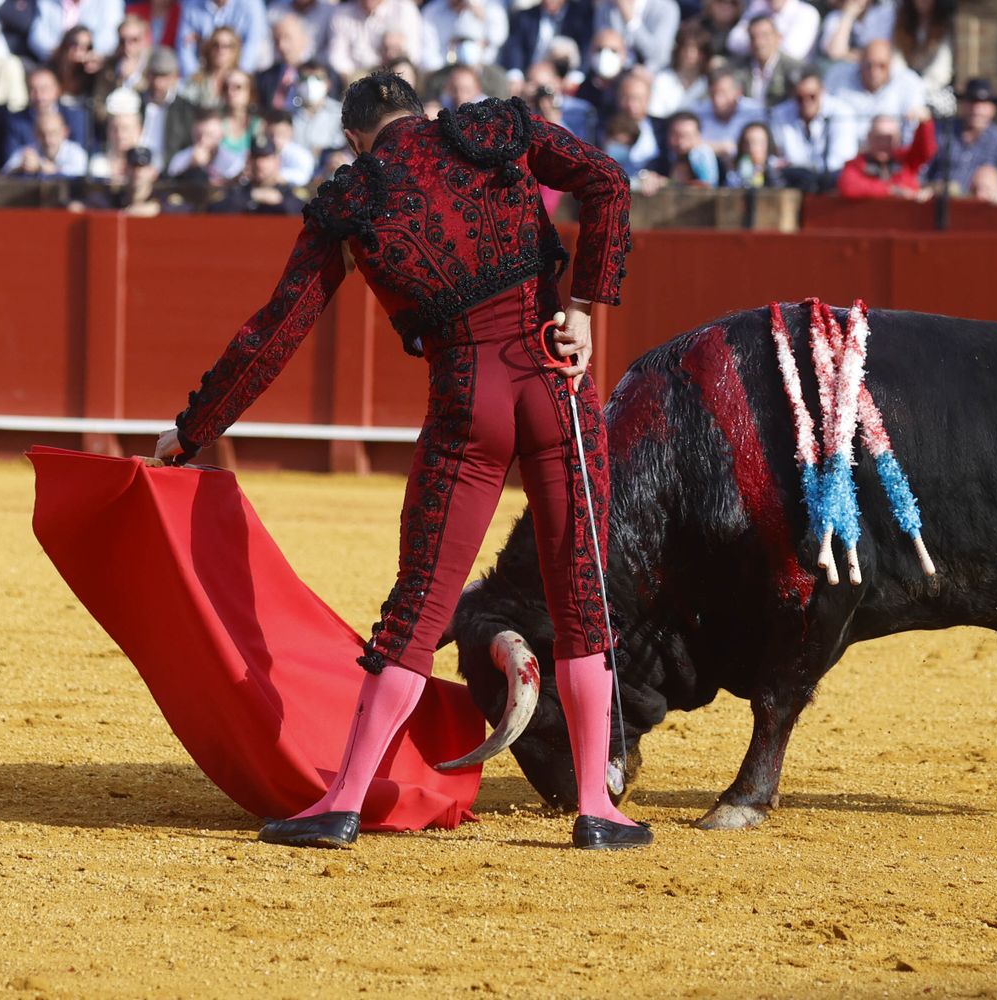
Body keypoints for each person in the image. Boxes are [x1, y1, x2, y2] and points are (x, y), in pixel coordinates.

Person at [152, 72, 648, 852]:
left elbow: (274, 333)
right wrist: (585, 311)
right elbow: (609, 184)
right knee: (579, 590)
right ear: (418, 109)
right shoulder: (494, 130)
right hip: (558, 377)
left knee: (417, 606)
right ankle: (597, 807)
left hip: (466, 399)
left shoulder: (355, 196)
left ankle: (344, 801)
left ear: (356, 136)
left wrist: (193, 428)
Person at [925, 77, 997, 195]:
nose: (976, 110)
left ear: (993, 108)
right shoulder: (941, 132)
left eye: (983, 104)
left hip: (980, 209)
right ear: (961, 104)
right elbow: (921, 173)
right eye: (971, 103)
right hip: (939, 206)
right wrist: (937, 187)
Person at [767, 68, 856, 186]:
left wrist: (798, 166)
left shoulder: (842, 112)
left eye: (812, 96)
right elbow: (775, 159)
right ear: (792, 95)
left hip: (832, 185)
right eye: (799, 98)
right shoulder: (779, 114)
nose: (806, 102)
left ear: (822, 91)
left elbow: (840, 160)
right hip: (793, 183)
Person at [836, 111, 932, 199]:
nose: (883, 143)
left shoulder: (906, 161)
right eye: (878, 138)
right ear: (869, 137)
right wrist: (891, 190)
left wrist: (925, 123)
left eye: (888, 138)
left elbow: (926, 150)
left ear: (898, 139)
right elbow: (848, 187)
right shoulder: (856, 165)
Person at [590, 0, 678, 74]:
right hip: (613, 74)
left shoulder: (666, 9)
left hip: (650, 78)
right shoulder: (606, 8)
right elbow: (600, 47)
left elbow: (658, 57)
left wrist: (630, 19)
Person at [730, 13, 798, 107]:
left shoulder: (793, 68)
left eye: (764, 36)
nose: (759, 43)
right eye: (753, 37)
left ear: (778, 38)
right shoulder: (739, 69)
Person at [1, 105, 88, 175]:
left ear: (64, 133)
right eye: (42, 134)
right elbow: (4, 174)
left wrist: (42, 167)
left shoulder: (76, 152)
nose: (47, 140)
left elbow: (78, 173)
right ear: (35, 134)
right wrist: (21, 167)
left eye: (53, 133)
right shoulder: (27, 151)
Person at [647, 19, 707, 118]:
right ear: (678, 50)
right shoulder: (663, 80)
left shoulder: (708, 84)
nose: (690, 54)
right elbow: (656, 114)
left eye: (696, 50)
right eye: (686, 48)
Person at [724, 0, 815, 63]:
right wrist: (763, 44)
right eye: (754, 37)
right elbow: (733, 42)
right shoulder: (758, 7)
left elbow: (792, 53)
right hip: (756, 73)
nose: (759, 43)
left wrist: (756, 42)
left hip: (792, 78)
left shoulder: (807, 13)